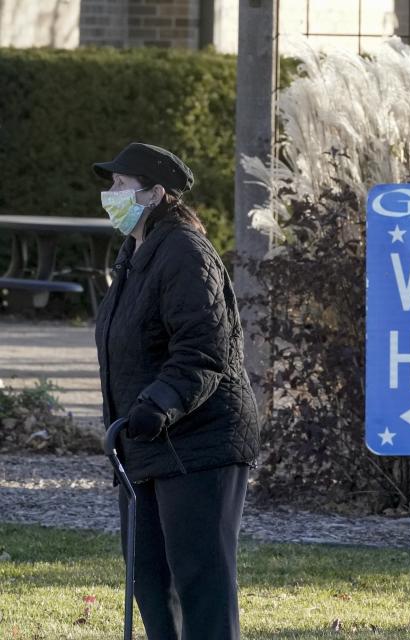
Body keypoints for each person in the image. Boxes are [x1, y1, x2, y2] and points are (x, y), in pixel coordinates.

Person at [93, 142, 259, 640]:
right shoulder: (134, 252)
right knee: (150, 581)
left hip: (198, 441)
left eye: (120, 186)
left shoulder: (186, 252)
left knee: (199, 582)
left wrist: (158, 403)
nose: (110, 195)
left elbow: (203, 348)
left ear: (155, 194)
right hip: (144, 442)